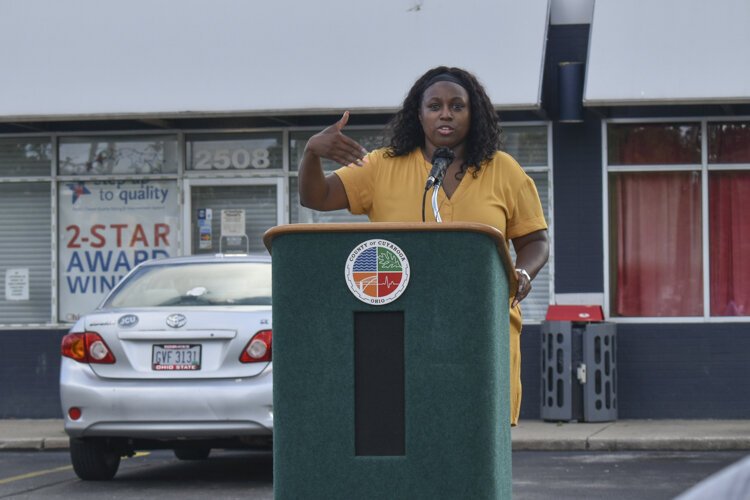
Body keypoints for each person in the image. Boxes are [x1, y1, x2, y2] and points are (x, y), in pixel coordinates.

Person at [298, 66, 549, 426]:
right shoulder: (381, 167)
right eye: (434, 106)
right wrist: (311, 153)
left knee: (474, 444)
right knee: (409, 438)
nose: (445, 114)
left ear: (472, 113)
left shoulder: (503, 170)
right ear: (419, 114)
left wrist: (523, 271)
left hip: (482, 331)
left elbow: (535, 240)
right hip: (400, 335)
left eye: (457, 106)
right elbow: (315, 196)